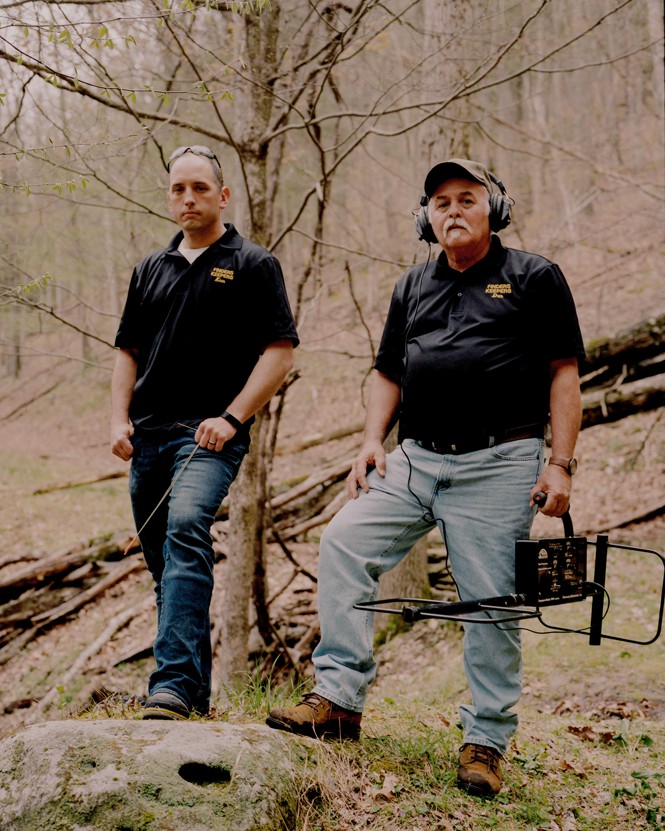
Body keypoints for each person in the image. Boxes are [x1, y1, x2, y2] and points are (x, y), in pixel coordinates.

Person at [266, 159, 584, 797]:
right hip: (413, 460)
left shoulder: (534, 277)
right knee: (343, 543)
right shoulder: (412, 286)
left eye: (467, 198)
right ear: (426, 216)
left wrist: (560, 463)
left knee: (491, 602)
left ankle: (486, 741)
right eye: (440, 202)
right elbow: (387, 371)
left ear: (494, 209)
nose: (453, 211)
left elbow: (563, 373)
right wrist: (368, 443)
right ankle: (338, 701)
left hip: (499, 462)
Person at [111, 144, 299, 721]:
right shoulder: (150, 268)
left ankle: (166, 683)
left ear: (223, 195)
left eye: (199, 187)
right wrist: (118, 419)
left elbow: (279, 353)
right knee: (164, 563)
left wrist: (232, 417)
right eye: (177, 189)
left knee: (187, 527)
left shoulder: (251, 263)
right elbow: (127, 351)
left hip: (210, 436)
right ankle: (190, 696)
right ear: (169, 197)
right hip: (149, 437)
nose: (188, 198)